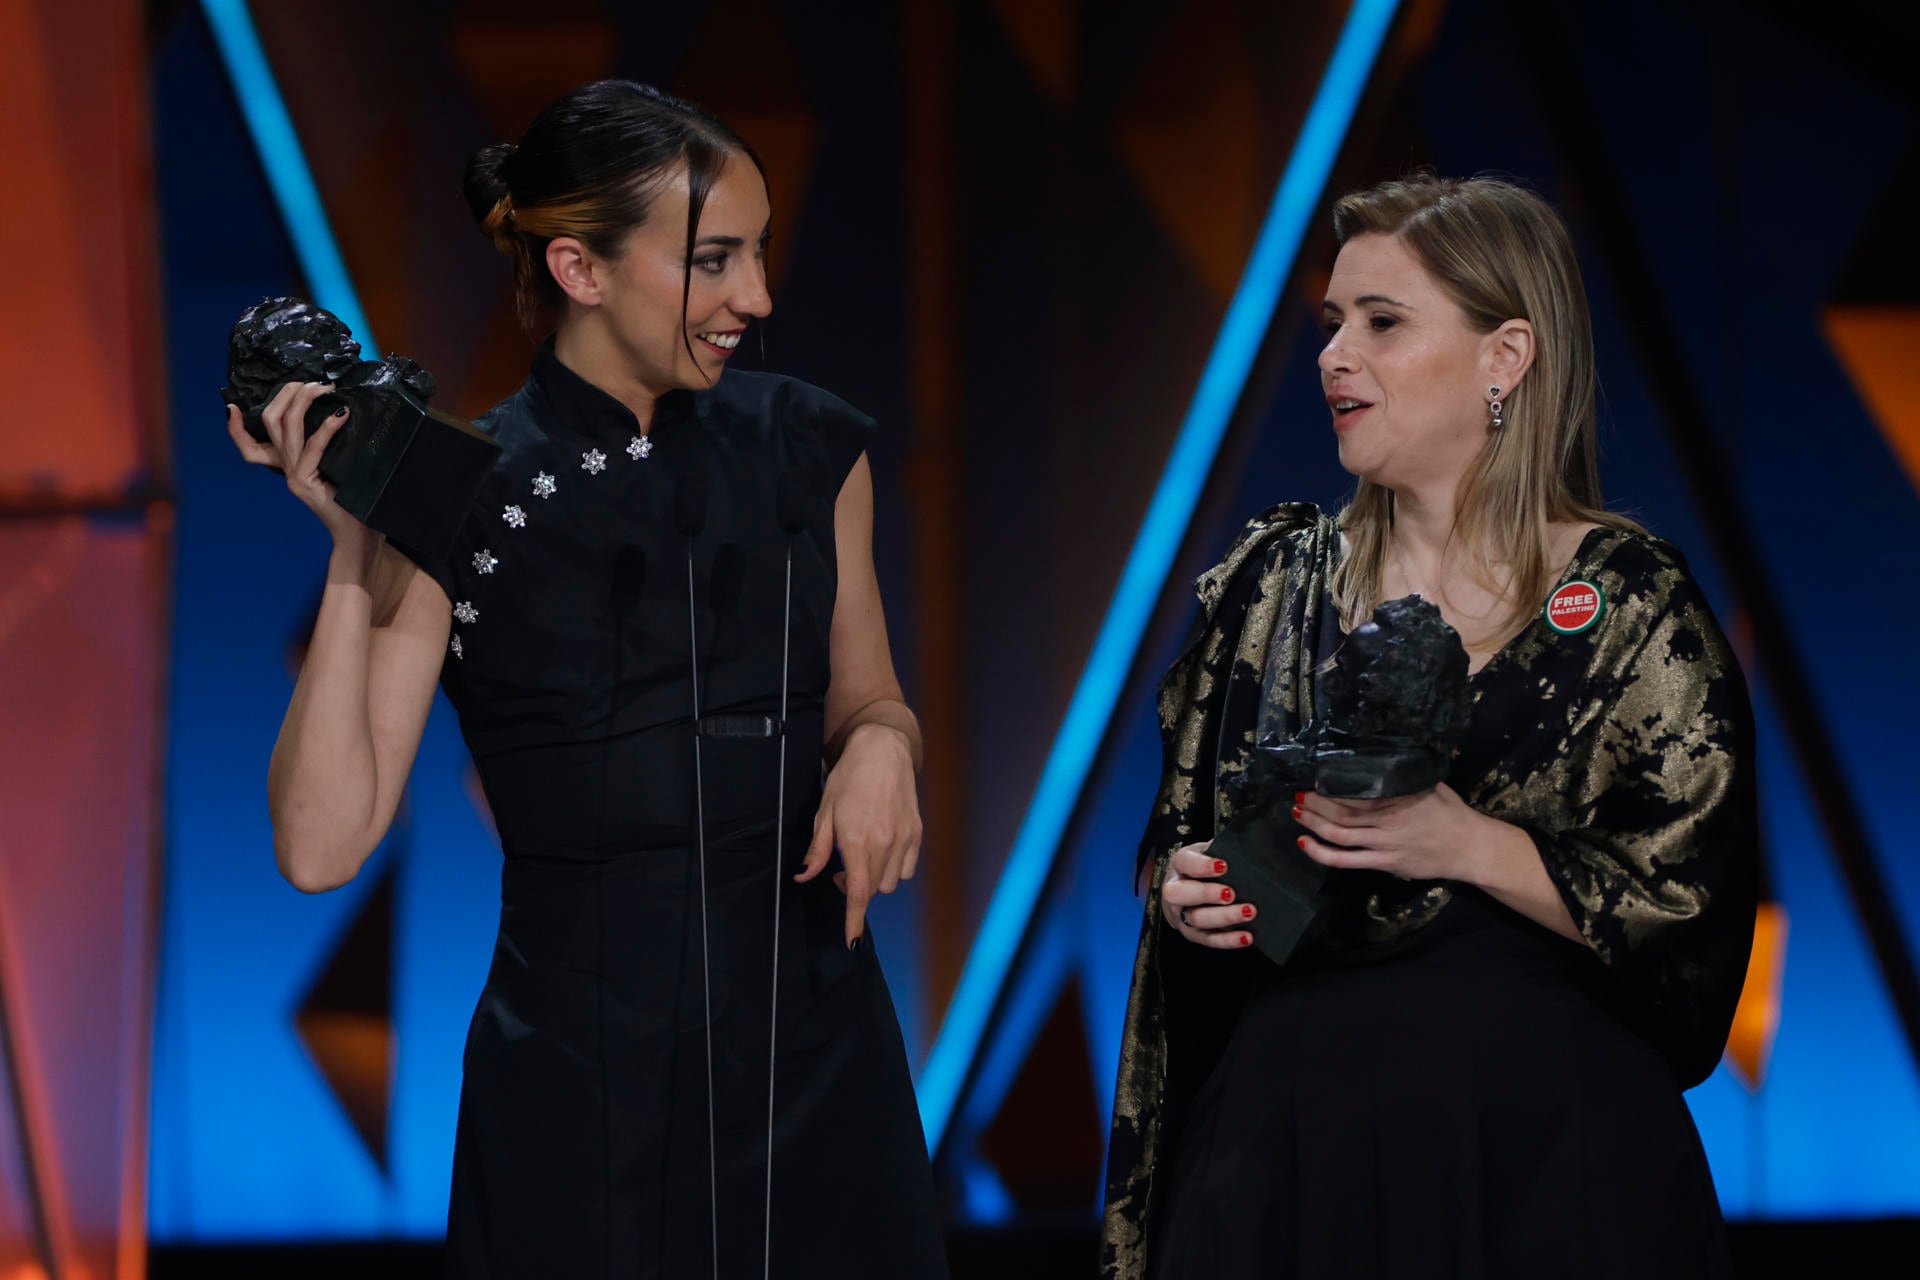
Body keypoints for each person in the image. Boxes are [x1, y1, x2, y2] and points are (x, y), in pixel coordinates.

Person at [226, 80, 947, 1278]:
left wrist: (882, 744)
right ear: (580, 269)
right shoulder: (462, 491)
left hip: (811, 1051)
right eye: (714, 260)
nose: (755, 299)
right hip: (578, 1082)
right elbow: (318, 844)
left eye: (757, 255)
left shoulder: (809, 448)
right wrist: (360, 544)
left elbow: (869, 695)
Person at [1100, 173, 1757, 1279]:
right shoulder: (1274, 579)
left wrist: (1468, 843)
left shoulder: (1631, 608)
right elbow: (1184, 835)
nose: (1333, 353)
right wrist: (1187, 887)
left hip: (1544, 1159)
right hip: (1287, 1159)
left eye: (1382, 322)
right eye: (1332, 323)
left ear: (1507, 355)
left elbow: (1691, 920)